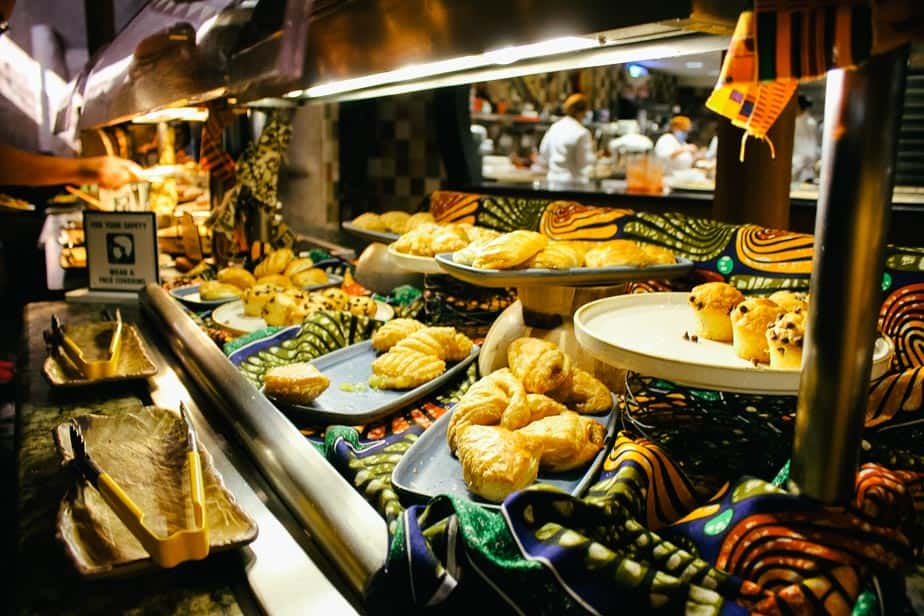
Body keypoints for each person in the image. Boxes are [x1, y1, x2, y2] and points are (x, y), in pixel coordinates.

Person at [536, 93, 595, 185]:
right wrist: (595, 156)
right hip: (574, 184)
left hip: (553, 180)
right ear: (583, 112)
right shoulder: (582, 133)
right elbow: (583, 162)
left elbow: (543, 151)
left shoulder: (555, 127)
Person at [791, 94, 820, 183]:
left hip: (805, 168)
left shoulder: (811, 123)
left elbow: (814, 148)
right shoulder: (808, 122)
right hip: (797, 167)